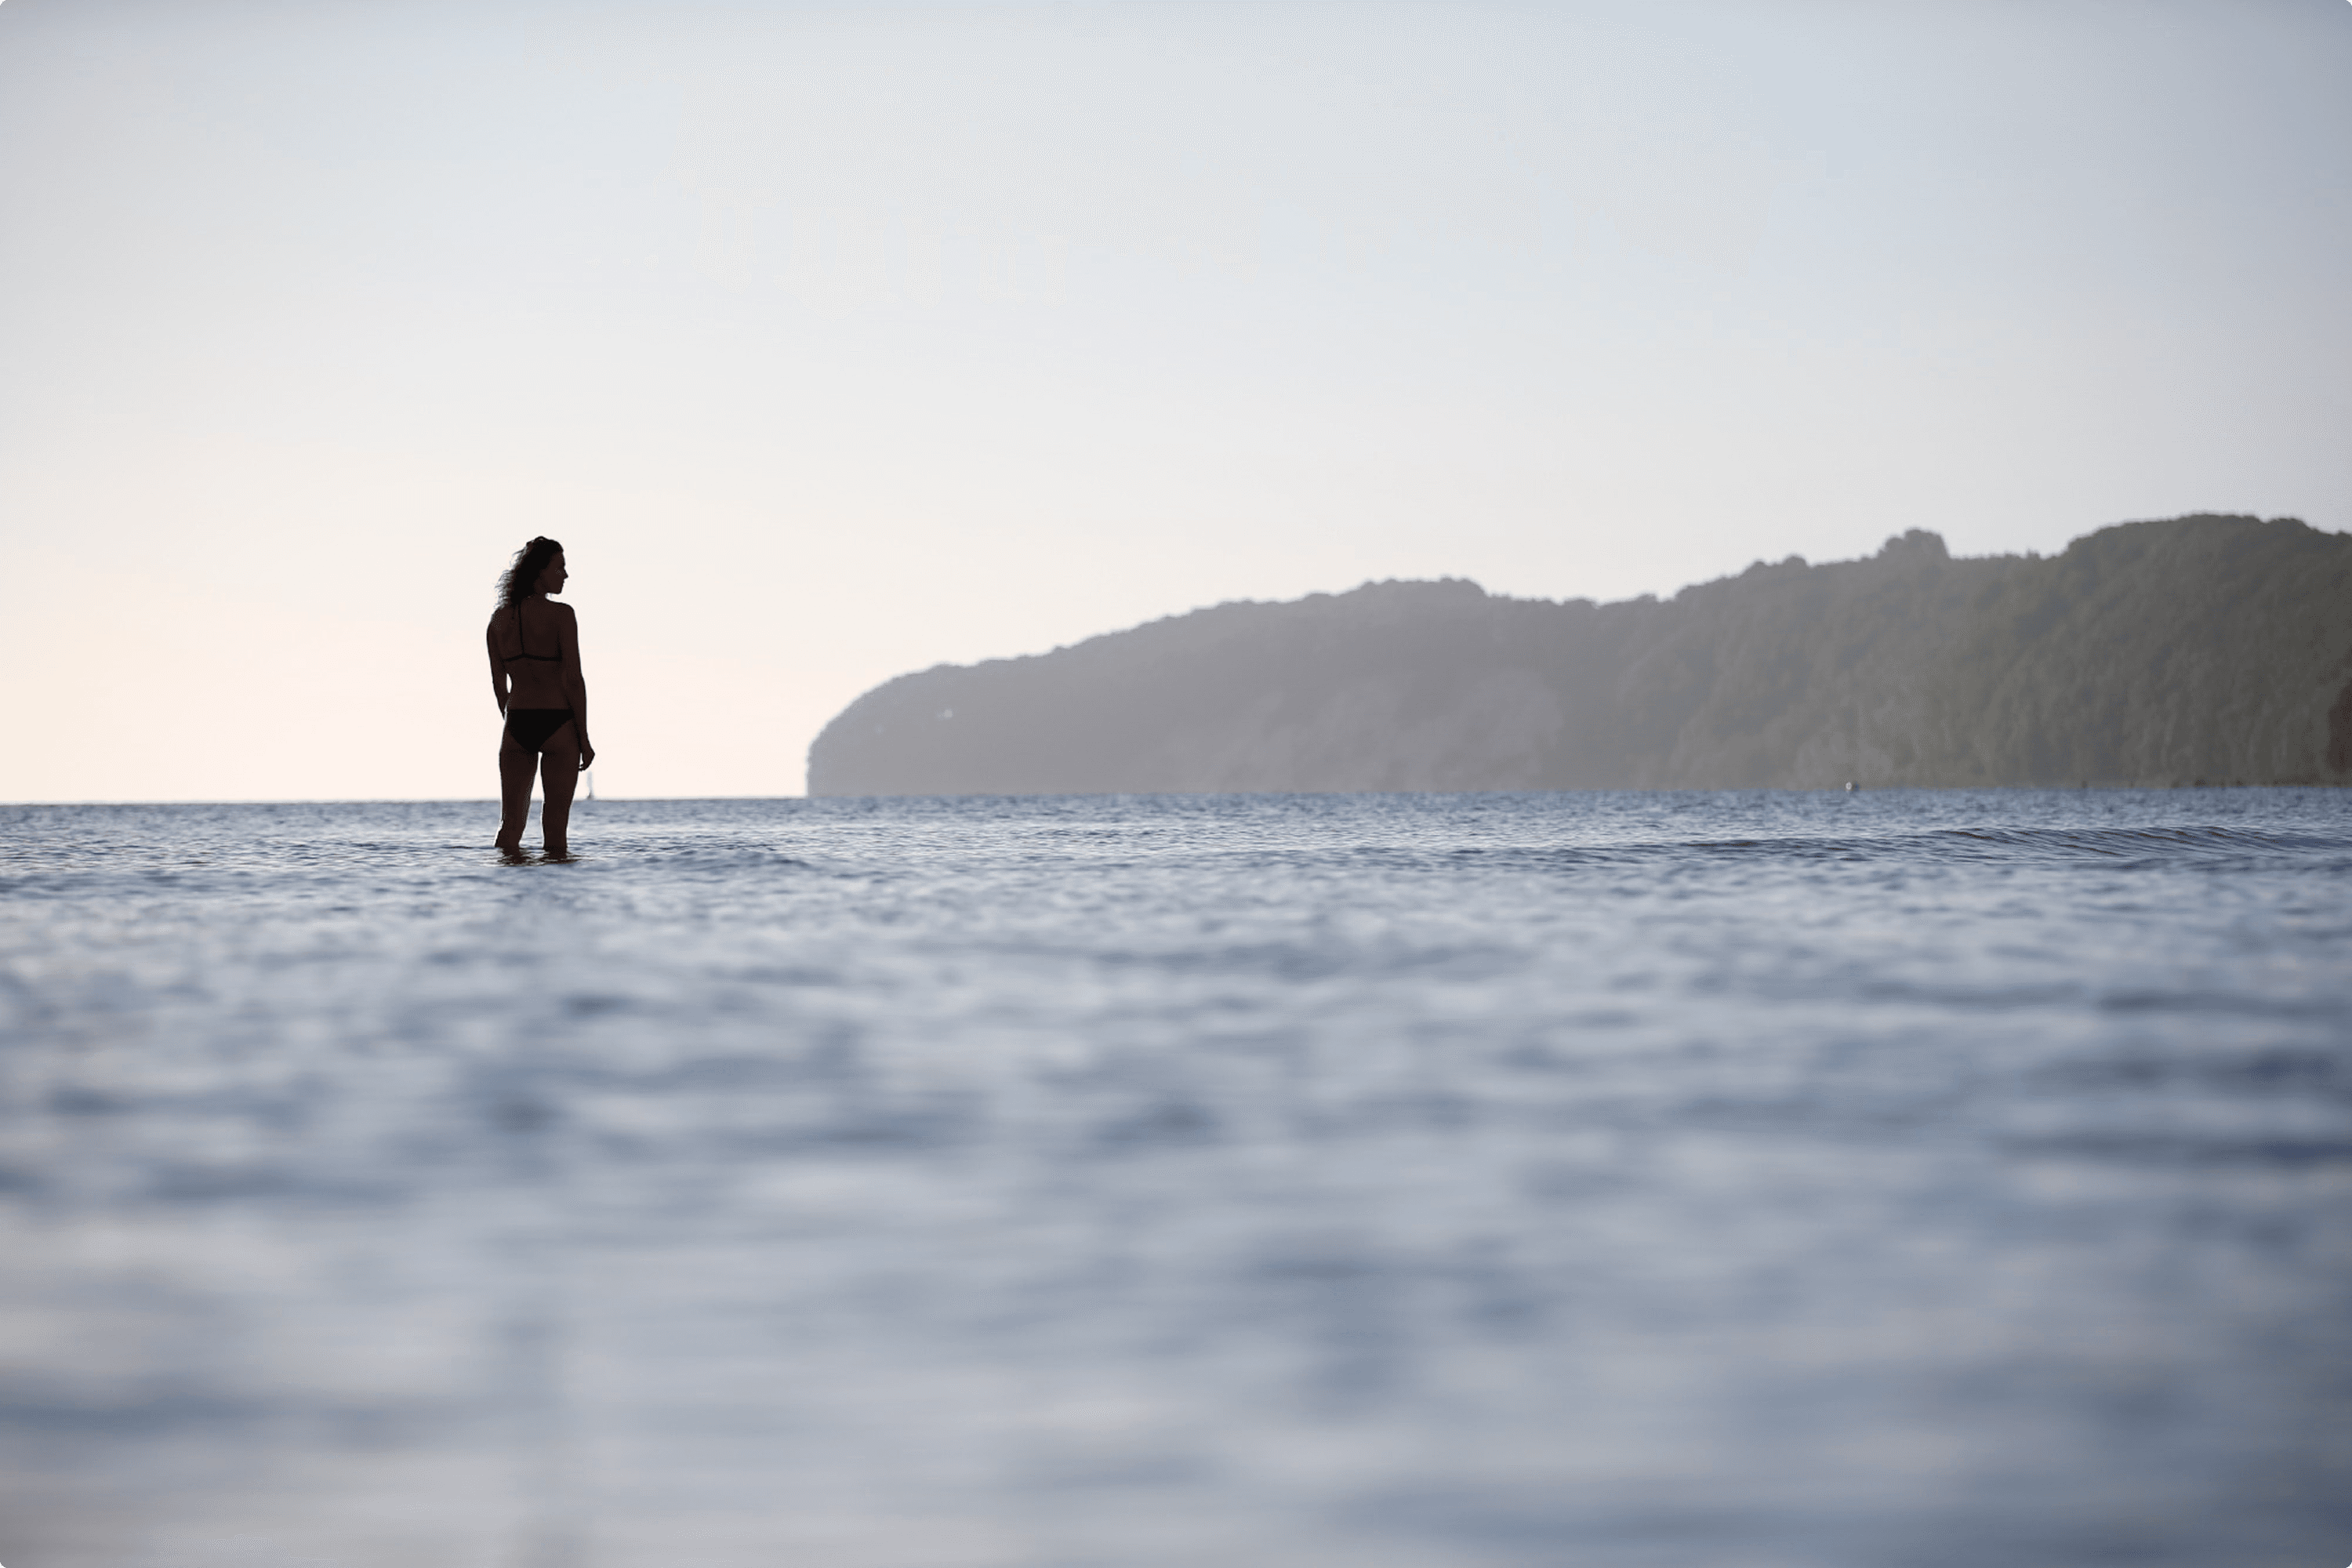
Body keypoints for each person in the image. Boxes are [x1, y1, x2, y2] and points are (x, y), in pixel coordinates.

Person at [487, 537, 595, 858]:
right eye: (559, 568)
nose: (565, 575)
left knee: (509, 827)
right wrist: (584, 739)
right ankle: (555, 898)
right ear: (539, 572)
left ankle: (508, 895)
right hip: (558, 723)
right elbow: (574, 681)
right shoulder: (562, 615)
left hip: (517, 723)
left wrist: (515, 722)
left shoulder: (497, 622)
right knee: (556, 828)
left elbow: (499, 689)